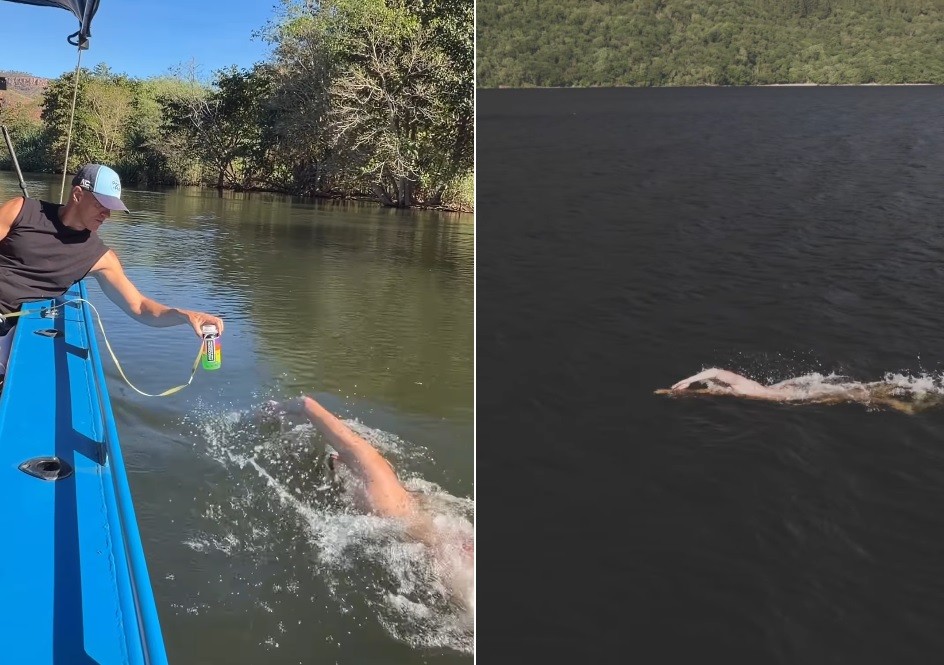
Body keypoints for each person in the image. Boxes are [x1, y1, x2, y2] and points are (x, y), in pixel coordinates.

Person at [0, 163, 224, 373]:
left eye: (112, 208)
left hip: (9, 329)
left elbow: (139, 307)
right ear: (78, 195)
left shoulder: (101, 258)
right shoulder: (21, 210)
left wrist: (184, 315)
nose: (107, 214)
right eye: (102, 205)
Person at [270, 394, 475, 611]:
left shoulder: (381, 492)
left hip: (402, 524)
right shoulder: (413, 503)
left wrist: (277, 409)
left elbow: (306, 403)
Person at [656, 367, 941, 414]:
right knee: (853, 392)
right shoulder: (733, 389)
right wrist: (679, 388)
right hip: (786, 393)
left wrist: (686, 381)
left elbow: (716, 372)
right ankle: (901, 392)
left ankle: (900, 403)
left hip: (794, 397)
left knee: (855, 395)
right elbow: (713, 383)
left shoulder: (737, 386)